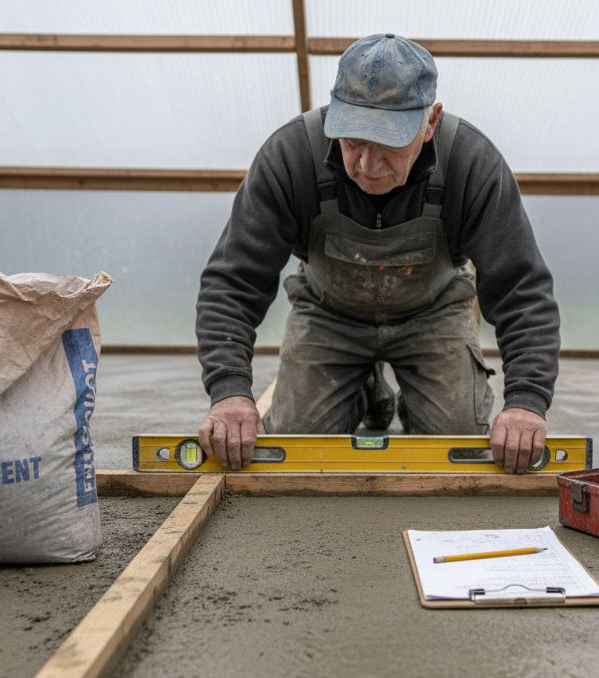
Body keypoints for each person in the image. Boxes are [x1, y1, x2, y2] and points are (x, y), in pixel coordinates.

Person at [195, 33, 560, 474]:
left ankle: (416, 396)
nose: (367, 166)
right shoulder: (291, 156)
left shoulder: (471, 163)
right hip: (329, 315)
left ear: (430, 122)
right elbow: (233, 282)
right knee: (296, 442)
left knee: (458, 443)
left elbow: (522, 288)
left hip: (433, 315)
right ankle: (365, 389)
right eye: (353, 141)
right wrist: (230, 391)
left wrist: (526, 401)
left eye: (390, 144)